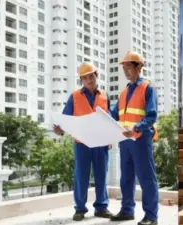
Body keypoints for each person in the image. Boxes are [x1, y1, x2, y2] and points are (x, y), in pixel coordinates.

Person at [53, 63, 112, 221]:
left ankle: (101, 207)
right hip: (82, 144)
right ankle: (80, 209)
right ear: (81, 80)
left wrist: (110, 138)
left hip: (101, 143)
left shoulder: (105, 96)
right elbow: (66, 119)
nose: (89, 80)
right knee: (81, 176)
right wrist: (60, 129)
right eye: (85, 78)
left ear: (96, 76)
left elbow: (110, 120)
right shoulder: (75, 96)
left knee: (101, 175)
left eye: (91, 76)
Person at [109, 50, 159, 225]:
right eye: (124, 67)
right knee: (126, 177)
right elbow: (114, 114)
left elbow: (152, 116)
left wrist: (136, 127)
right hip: (125, 140)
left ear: (138, 67)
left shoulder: (147, 88)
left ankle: (151, 216)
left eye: (128, 67)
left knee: (146, 177)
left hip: (140, 138)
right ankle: (127, 210)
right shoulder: (124, 92)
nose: (125, 71)